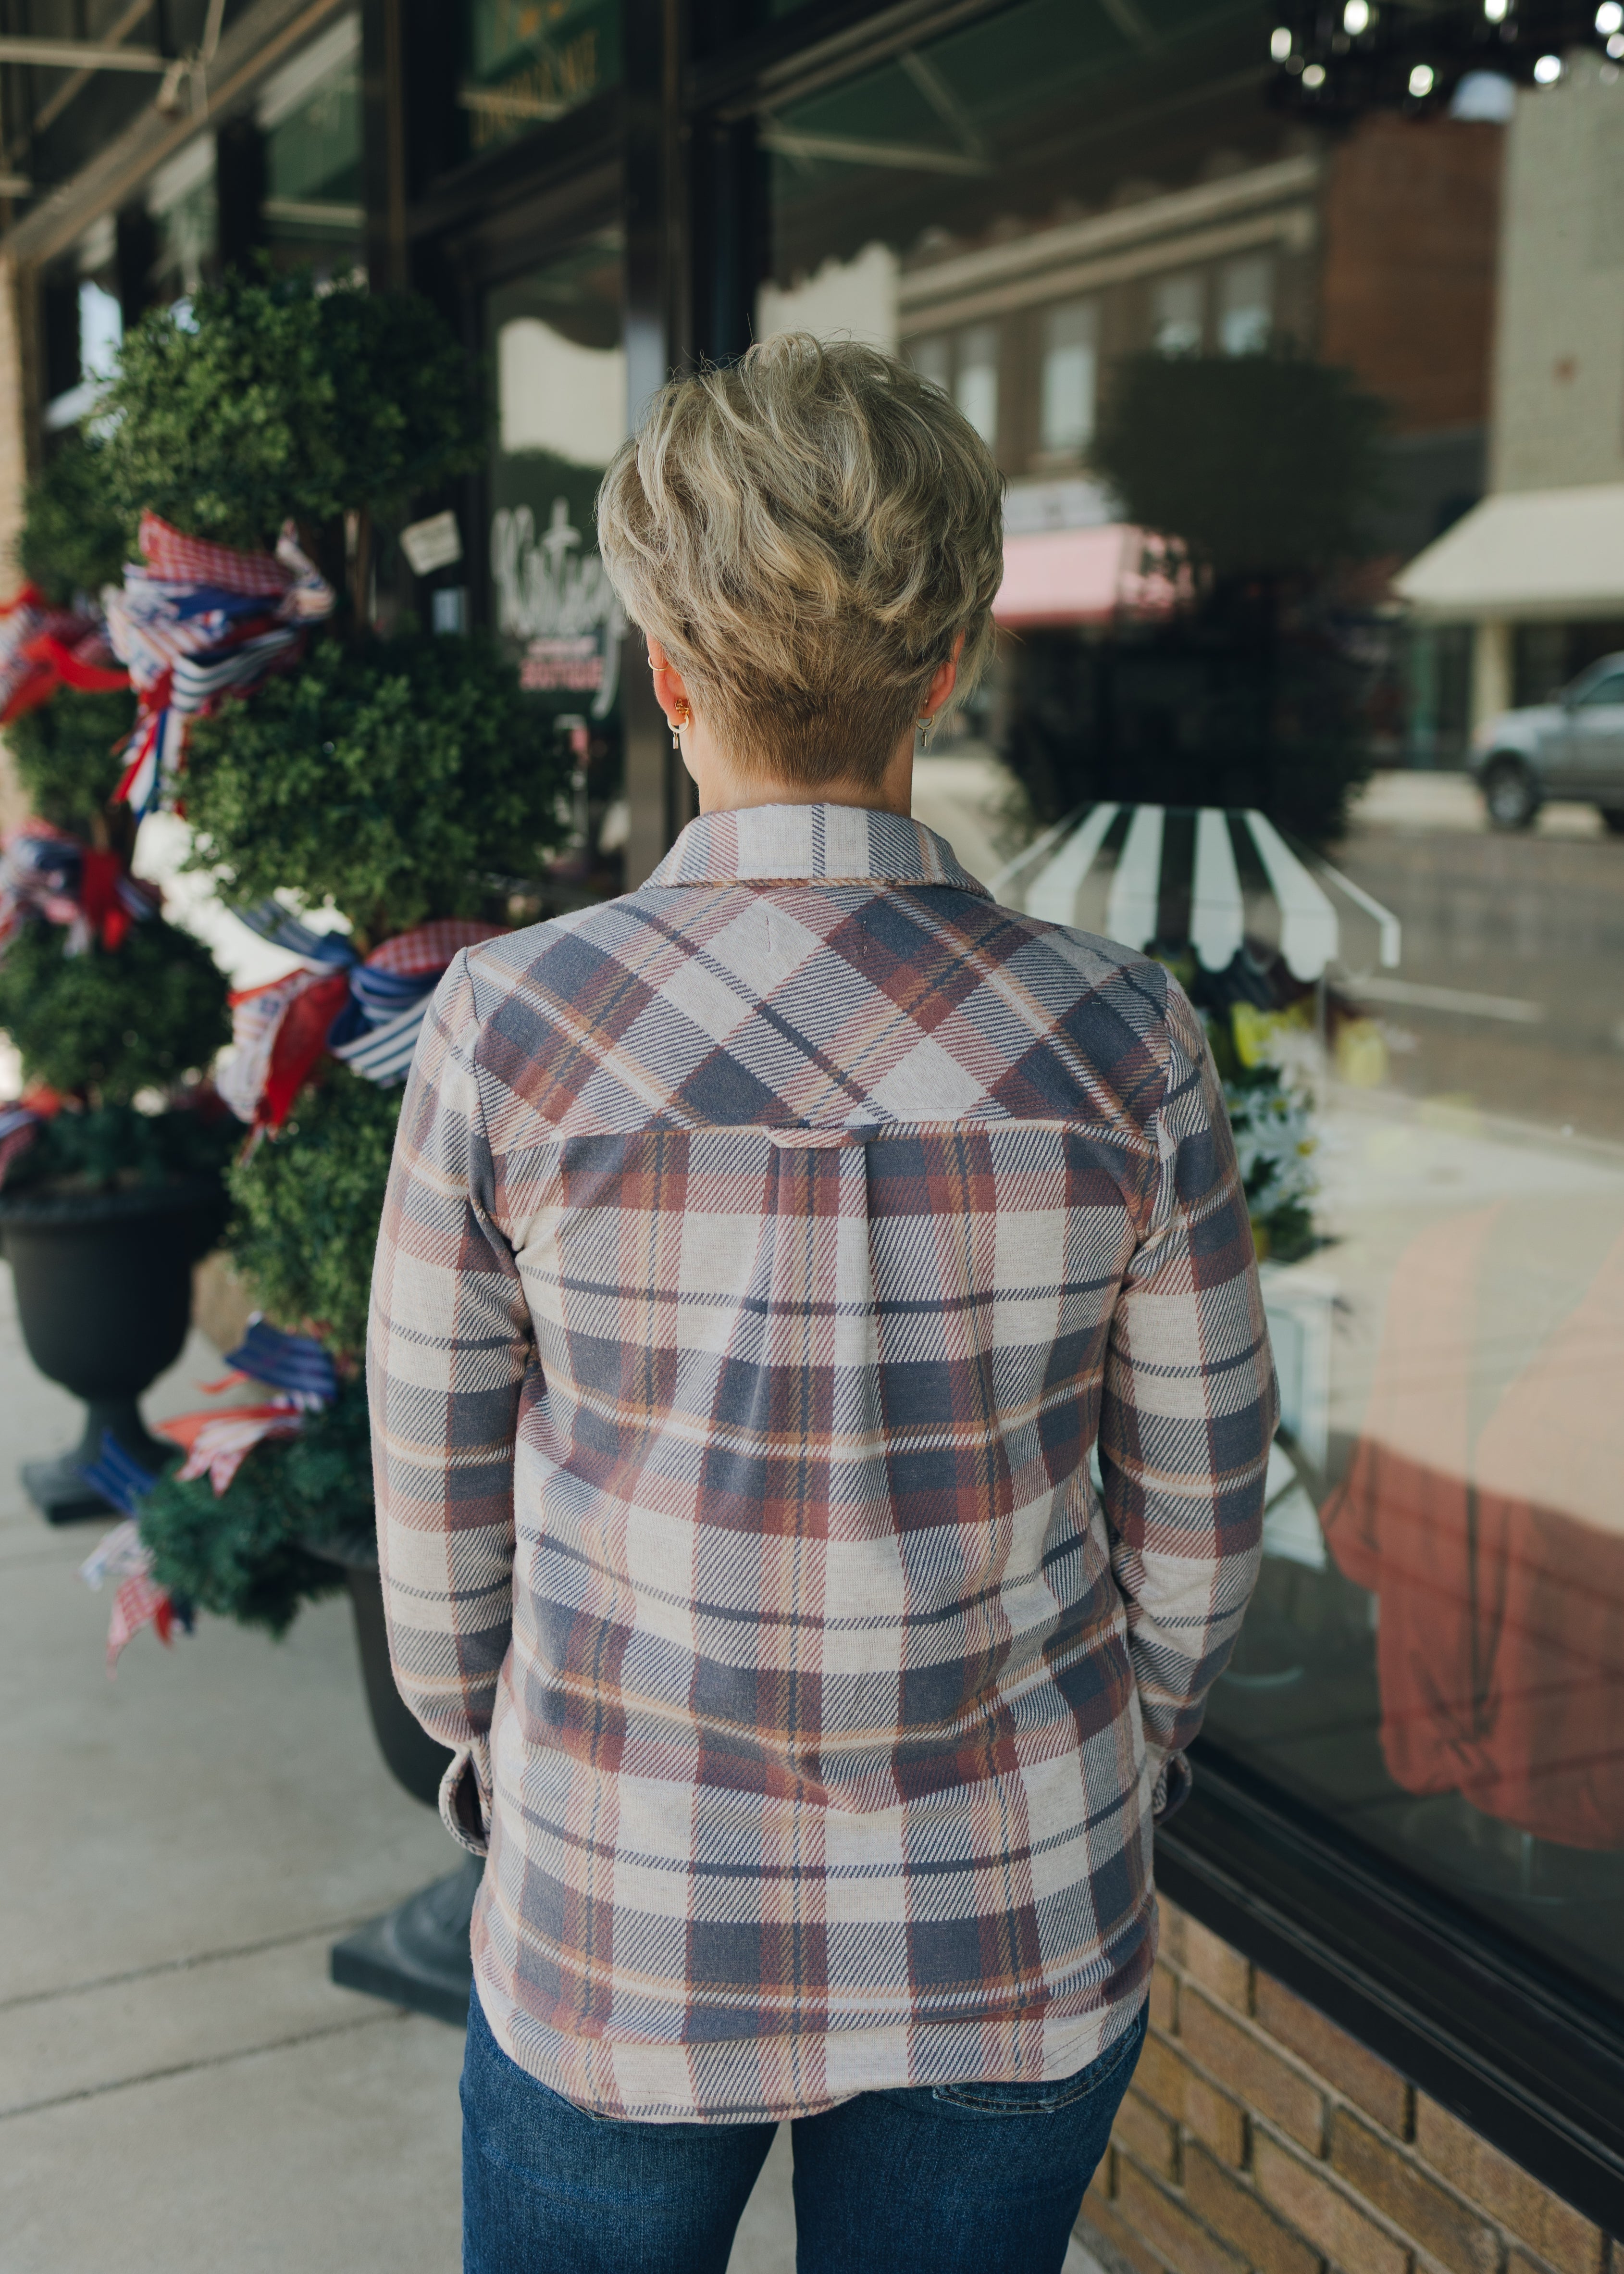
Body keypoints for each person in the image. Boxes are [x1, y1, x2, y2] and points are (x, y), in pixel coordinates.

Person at [368, 333, 1274, 2274]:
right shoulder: (1122, 1039)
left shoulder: (508, 1028)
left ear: (664, 671)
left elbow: (435, 1516)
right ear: (941, 675)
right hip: (1010, 1899)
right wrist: (1121, 1749)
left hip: (621, 1905)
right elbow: (1196, 1529)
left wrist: (479, 1736)